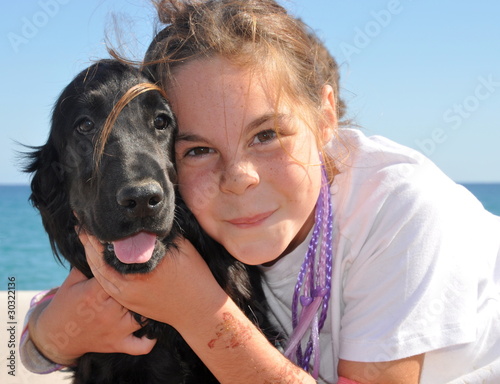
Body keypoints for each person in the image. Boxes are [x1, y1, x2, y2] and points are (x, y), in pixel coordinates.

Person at [21, 0, 500, 383]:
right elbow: (28, 343)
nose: (240, 177)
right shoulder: (198, 219)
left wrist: (198, 311)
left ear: (325, 115)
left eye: (266, 134)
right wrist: (49, 338)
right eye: (199, 149)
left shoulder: (402, 210)